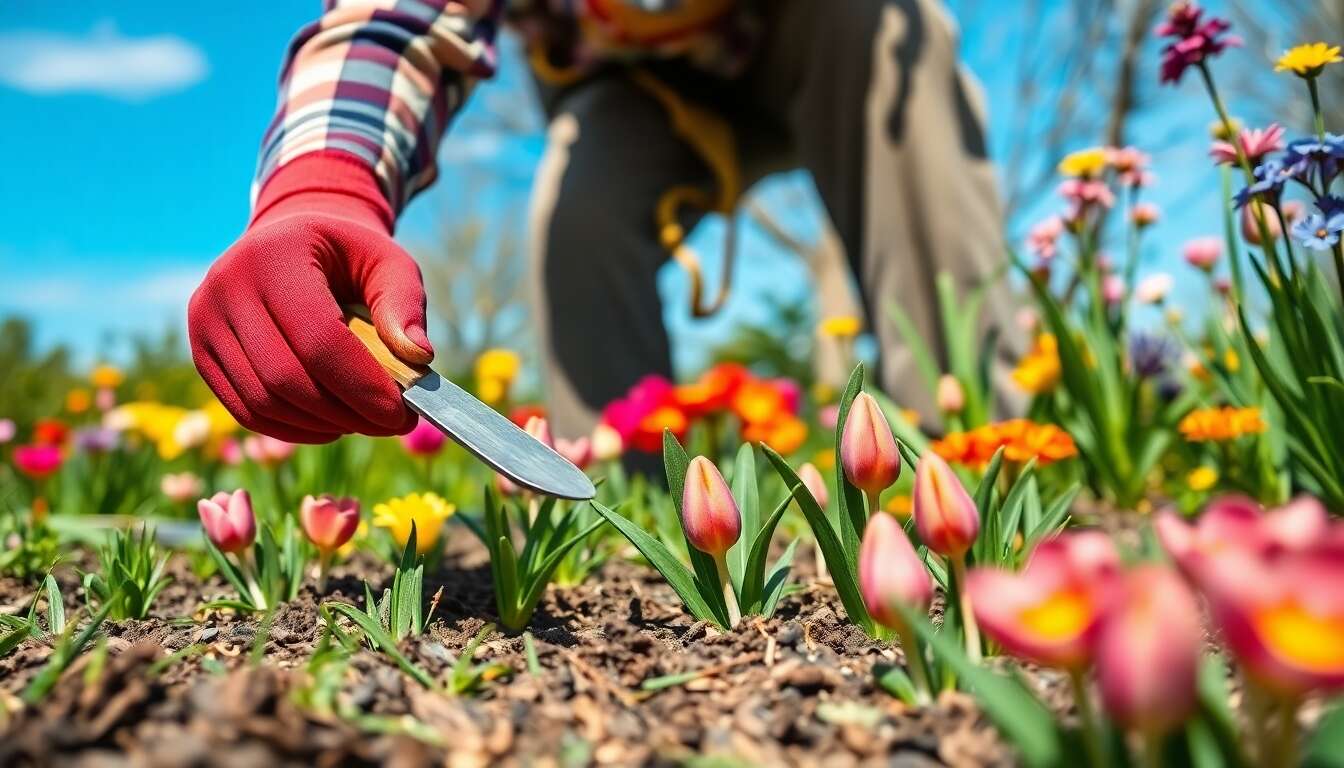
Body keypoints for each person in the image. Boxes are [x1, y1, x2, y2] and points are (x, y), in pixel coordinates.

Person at [188, 0, 1015, 444]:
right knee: (576, 217)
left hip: (818, 33)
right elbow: (394, 23)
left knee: (884, 44)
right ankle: (626, 482)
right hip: (634, 89)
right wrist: (321, 190)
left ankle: (985, 440)